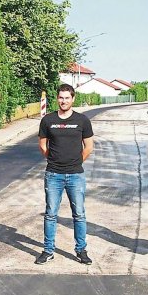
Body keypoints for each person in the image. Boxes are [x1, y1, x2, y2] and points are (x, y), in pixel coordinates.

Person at [35, 83, 94, 265]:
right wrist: (53, 159)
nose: (64, 101)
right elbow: (42, 145)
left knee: (79, 214)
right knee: (51, 214)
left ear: (73, 99)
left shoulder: (82, 120)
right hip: (53, 174)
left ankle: (81, 250)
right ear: (57, 99)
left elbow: (89, 146)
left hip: (76, 175)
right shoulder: (48, 120)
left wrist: (75, 162)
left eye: (67, 98)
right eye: (61, 97)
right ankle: (48, 250)